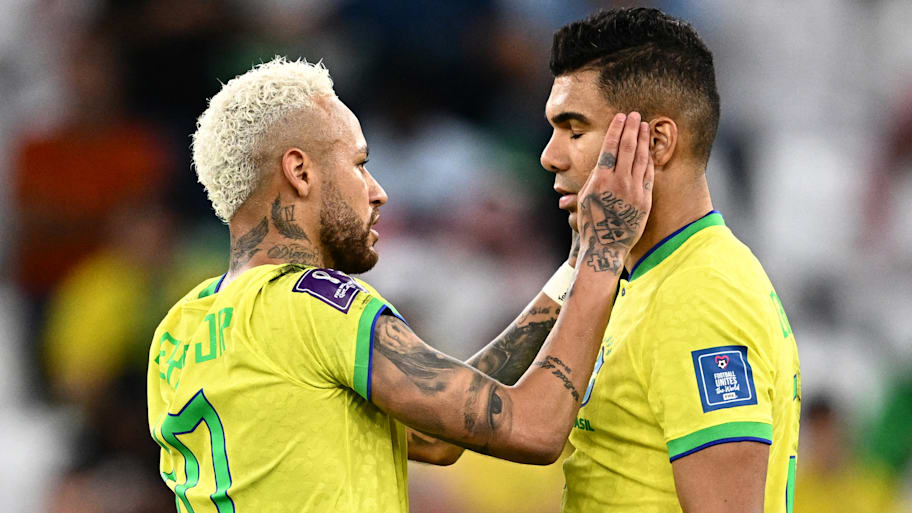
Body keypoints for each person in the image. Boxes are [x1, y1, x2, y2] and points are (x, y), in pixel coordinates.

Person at [147, 57, 654, 511]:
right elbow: (535, 428)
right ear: (300, 172)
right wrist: (603, 256)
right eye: (359, 164)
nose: (378, 192)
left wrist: (571, 269)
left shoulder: (178, 331)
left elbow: (437, 438)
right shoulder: (317, 305)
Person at [538, 8, 801, 513]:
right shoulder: (642, 277)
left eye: (574, 130)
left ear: (655, 143)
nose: (551, 155)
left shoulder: (701, 295)